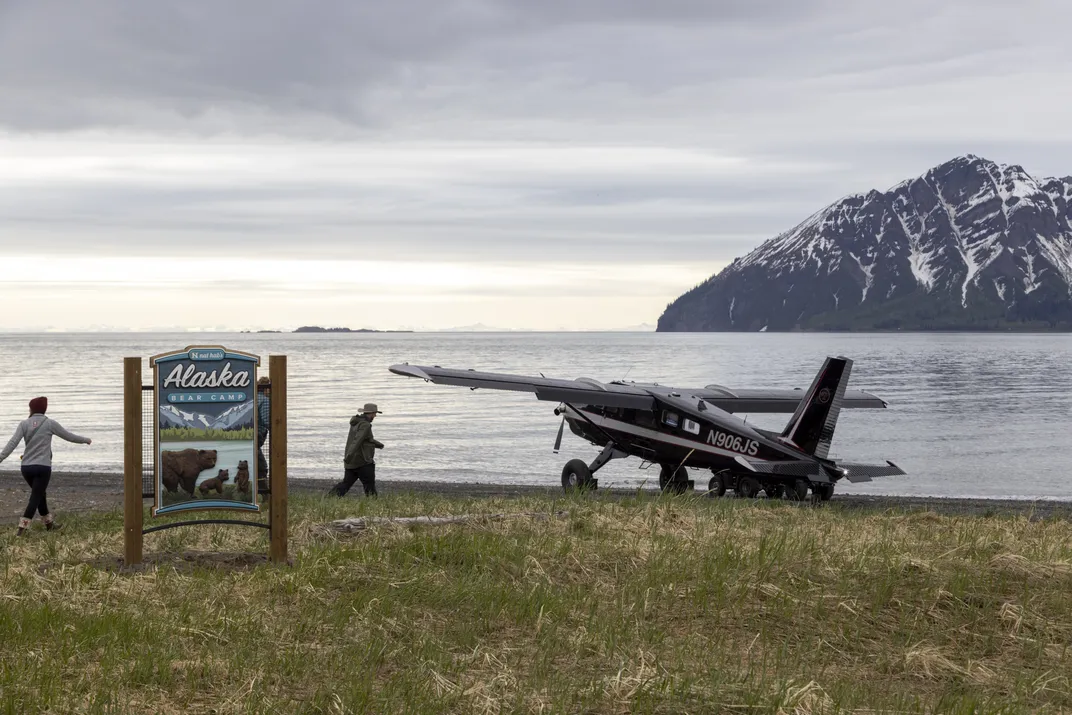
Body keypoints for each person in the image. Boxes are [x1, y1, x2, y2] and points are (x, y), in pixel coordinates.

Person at [0, 397, 92, 536]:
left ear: (31, 409)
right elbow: (69, 436)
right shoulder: (49, 423)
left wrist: (1, 458)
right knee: (36, 496)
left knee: (40, 493)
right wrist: (85, 440)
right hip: (43, 467)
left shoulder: (24, 424)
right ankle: (21, 530)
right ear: (44, 409)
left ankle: (49, 524)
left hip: (26, 468)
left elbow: (12, 443)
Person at [328, 403, 384, 497]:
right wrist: (349, 455)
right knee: (369, 486)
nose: (375, 416)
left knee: (346, 484)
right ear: (370, 413)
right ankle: (373, 505)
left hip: (352, 462)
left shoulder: (356, 422)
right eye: (374, 414)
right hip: (362, 461)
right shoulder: (365, 425)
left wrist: (379, 445)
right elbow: (357, 441)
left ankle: (329, 499)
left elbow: (366, 439)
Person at [256, 376, 271, 494]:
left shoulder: (252, 397)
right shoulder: (264, 400)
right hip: (257, 435)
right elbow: (267, 420)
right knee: (262, 466)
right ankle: (264, 493)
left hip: (249, 434)